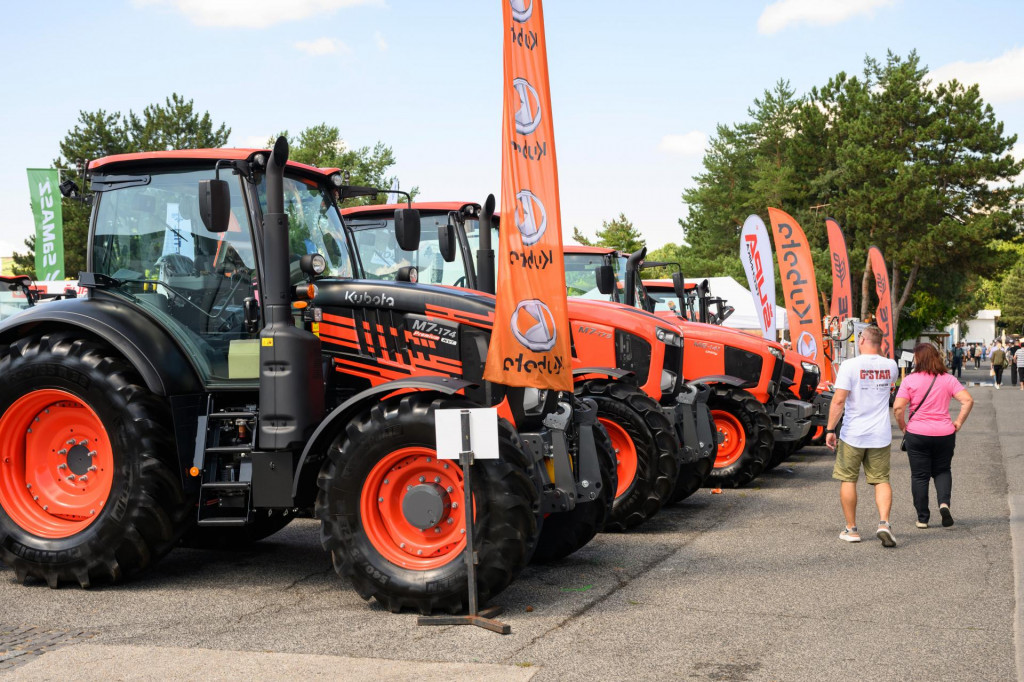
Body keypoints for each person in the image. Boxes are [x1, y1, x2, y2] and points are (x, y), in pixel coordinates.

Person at [825, 325, 900, 547]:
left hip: (854, 433)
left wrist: (830, 429)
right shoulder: (891, 366)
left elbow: (839, 401)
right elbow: (888, 391)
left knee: (848, 479)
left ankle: (852, 529)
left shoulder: (849, 366)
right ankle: (884, 523)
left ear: (861, 340)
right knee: (881, 480)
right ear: (881, 343)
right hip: (880, 433)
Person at [893, 343, 973, 529]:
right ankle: (944, 504)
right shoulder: (948, 379)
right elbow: (967, 400)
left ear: (918, 359)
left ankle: (923, 518)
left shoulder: (910, 380)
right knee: (942, 470)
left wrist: (903, 426)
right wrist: (958, 423)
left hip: (917, 433)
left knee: (920, 476)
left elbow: (898, 407)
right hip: (945, 433)